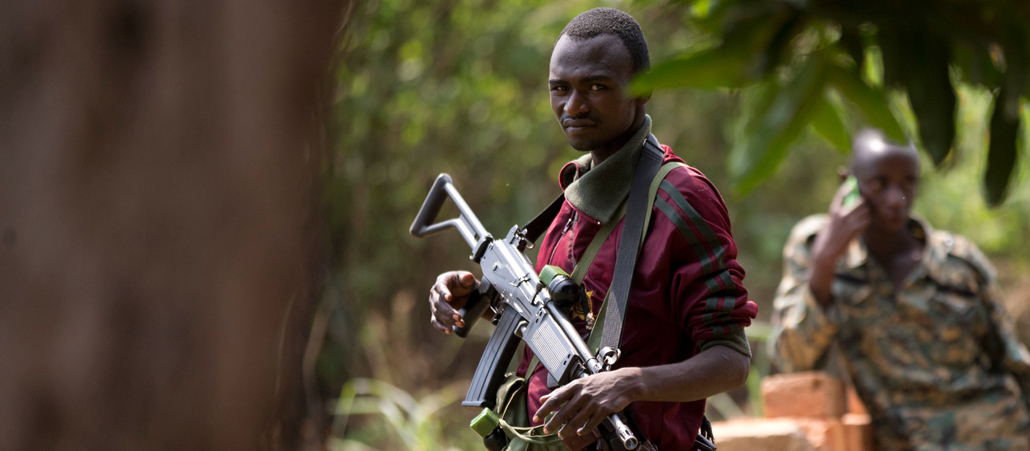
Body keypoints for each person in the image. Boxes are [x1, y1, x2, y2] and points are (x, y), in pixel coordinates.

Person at [426, 7, 758, 451]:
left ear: (642, 89)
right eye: (559, 89)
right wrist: (475, 301)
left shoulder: (679, 200)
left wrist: (627, 384)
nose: (573, 106)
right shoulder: (574, 194)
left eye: (597, 87)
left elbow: (731, 360)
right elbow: (563, 328)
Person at [769, 128, 1030, 449]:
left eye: (908, 183)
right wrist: (825, 262)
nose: (896, 199)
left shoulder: (959, 263)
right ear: (848, 183)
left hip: (999, 435)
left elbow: (1015, 364)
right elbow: (789, 360)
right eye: (880, 184)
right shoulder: (816, 248)